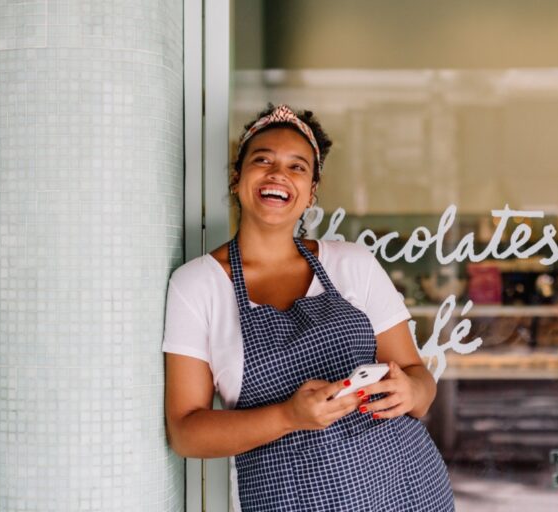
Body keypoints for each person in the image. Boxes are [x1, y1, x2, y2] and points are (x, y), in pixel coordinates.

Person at [163, 104, 455, 511]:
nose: (278, 173)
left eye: (297, 166)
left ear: (312, 191)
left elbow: (420, 384)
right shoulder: (197, 285)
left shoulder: (353, 263)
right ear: (237, 177)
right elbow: (185, 432)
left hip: (403, 487)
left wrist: (410, 390)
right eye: (262, 159)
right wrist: (289, 416)